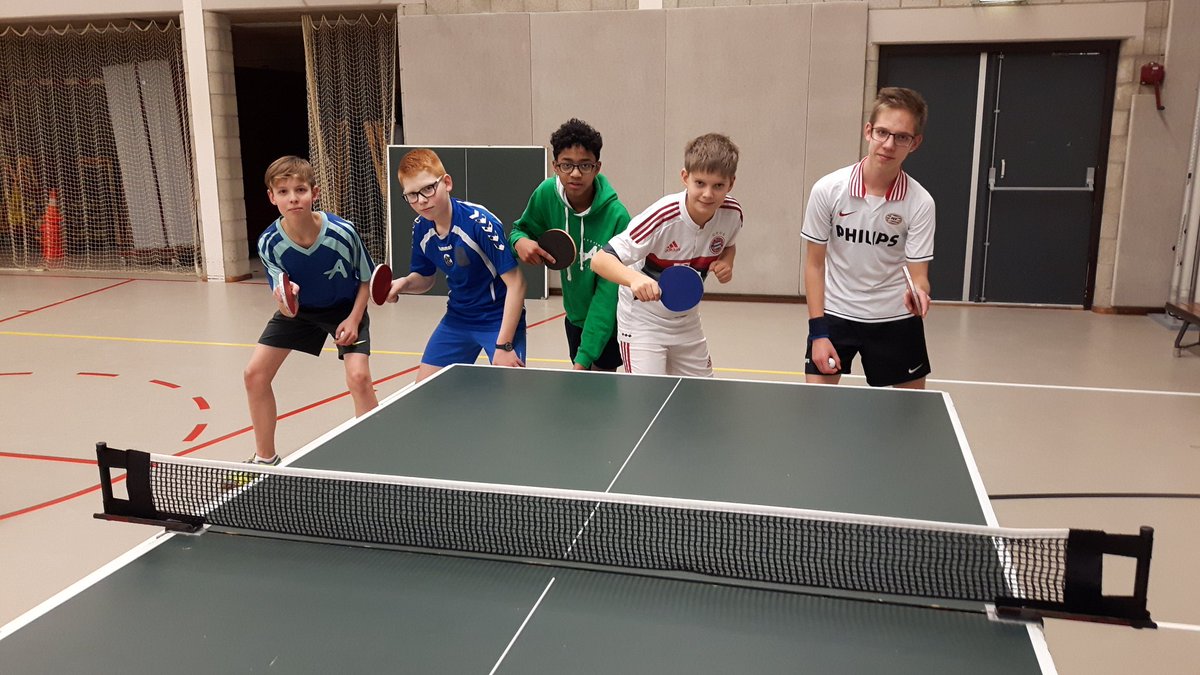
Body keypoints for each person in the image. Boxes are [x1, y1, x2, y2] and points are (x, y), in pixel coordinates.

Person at [244, 156, 379, 465]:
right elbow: (286, 307)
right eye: (284, 191)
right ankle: (265, 458)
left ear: (314, 193)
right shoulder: (269, 243)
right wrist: (287, 299)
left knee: (359, 378)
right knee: (254, 374)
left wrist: (354, 319)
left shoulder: (342, 232)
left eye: (300, 189)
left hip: (345, 308)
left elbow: (365, 280)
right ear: (272, 197)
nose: (293, 198)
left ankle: (375, 458)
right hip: (302, 311)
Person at [802, 86, 935, 389]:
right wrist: (818, 332)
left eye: (901, 137)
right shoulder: (828, 190)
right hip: (836, 315)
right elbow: (814, 265)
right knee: (815, 411)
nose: (889, 144)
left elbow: (919, 275)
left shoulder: (920, 202)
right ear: (868, 131)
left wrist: (919, 294)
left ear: (914, 143)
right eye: (882, 132)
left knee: (907, 419)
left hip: (895, 318)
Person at [590, 133, 741, 377]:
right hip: (642, 323)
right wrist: (634, 279)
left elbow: (729, 244)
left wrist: (727, 262)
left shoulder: (732, 214)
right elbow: (600, 260)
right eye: (700, 183)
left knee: (701, 396)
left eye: (718, 186)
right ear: (685, 177)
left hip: (687, 322)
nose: (708, 194)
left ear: (730, 184)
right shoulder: (661, 217)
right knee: (647, 401)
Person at [385, 148, 526, 382]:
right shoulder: (421, 227)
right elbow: (425, 278)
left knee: (513, 396)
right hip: (458, 318)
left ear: (447, 182)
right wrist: (404, 284)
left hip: (497, 320)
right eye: (412, 195)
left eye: (428, 189)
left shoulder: (479, 223)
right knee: (424, 393)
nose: (421, 200)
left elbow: (517, 284)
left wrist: (504, 344)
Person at [510, 118, 630, 371]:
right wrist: (520, 242)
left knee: (599, 392)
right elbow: (520, 229)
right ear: (555, 166)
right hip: (574, 318)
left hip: (610, 323)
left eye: (584, 165)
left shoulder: (617, 217)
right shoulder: (545, 195)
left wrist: (584, 359)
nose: (575, 173)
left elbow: (608, 296)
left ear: (597, 167)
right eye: (567, 165)